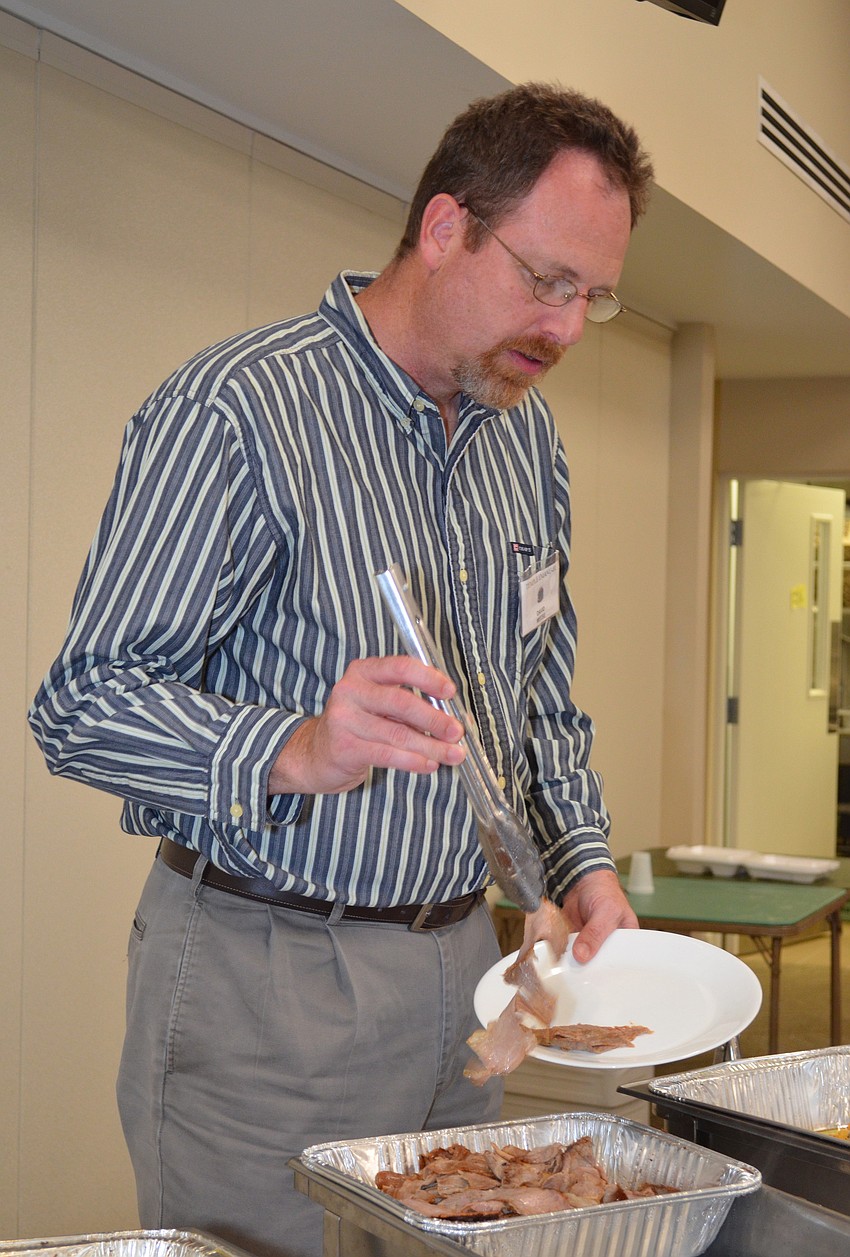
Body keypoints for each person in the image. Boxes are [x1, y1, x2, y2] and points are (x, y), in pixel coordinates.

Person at [29, 82, 653, 1257]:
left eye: (593, 296)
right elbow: (80, 705)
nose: (568, 329)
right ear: (442, 228)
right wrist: (293, 746)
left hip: (468, 981)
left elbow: (540, 705)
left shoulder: (526, 441)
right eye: (546, 280)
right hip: (268, 983)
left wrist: (579, 868)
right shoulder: (239, 410)